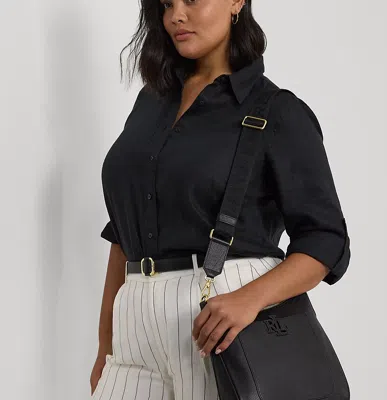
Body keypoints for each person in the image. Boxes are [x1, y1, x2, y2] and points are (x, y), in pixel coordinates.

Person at [90, 0, 351, 399]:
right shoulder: (151, 102)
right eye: (166, 4)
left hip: (221, 318)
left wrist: (250, 299)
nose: (176, 15)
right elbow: (123, 233)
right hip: (135, 325)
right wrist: (105, 346)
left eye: (192, 0)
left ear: (236, 2)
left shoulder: (278, 111)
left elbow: (326, 239)